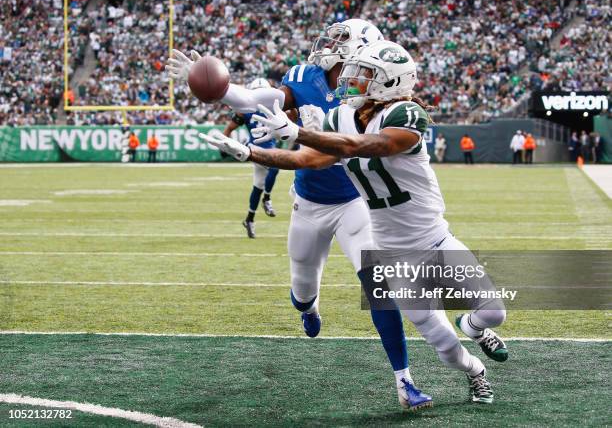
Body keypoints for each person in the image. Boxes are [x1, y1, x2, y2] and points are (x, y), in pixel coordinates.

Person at [201, 40, 507, 405]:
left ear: (389, 82)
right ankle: (475, 371)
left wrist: (298, 131)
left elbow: (366, 147)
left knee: (493, 312)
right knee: (441, 345)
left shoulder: (406, 115)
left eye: (365, 74)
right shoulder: (341, 117)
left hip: (435, 240)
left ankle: (471, 327)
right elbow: (309, 161)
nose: (352, 79)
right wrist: (251, 152)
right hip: (393, 254)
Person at [167, 21, 432, 409]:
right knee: (302, 290)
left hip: (354, 202)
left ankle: (404, 380)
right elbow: (257, 99)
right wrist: (222, 90)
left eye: (341, 39)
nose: (331, 45)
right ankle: (309, 308)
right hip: (308, 201)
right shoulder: (305, 78)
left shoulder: (376, 95)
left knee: (378, 286)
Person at [223, 78, 279, 238]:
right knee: (275, 168)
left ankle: (249, 219)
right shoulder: (245, 110)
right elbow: (229, 128)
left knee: (258, 186)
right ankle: (267, 199)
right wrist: (225, 144)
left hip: (270, 149)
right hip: (255, 150)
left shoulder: (276, 108)